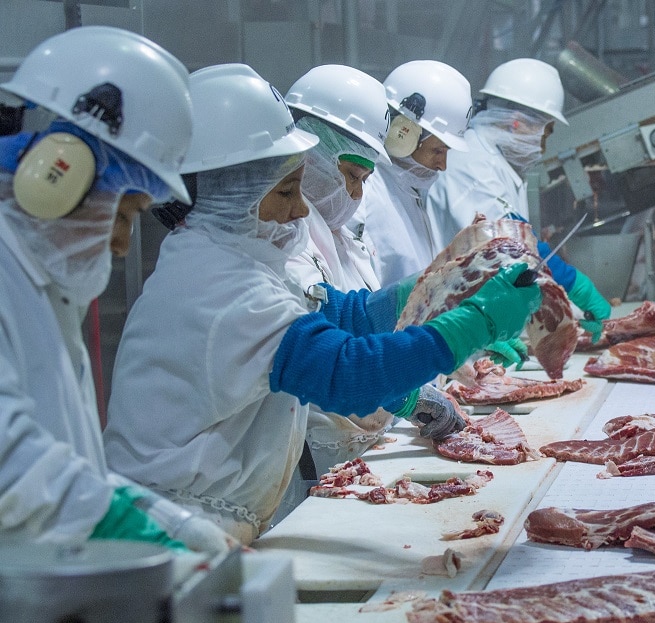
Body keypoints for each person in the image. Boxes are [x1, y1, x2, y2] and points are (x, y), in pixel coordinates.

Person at [103, 64, 541, 545]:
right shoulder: (219, 287)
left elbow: (343, 316)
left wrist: (445, 283)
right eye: (286, 191)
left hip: (214, 515)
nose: (299, 209)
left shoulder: (237, 258)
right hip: (174, 533)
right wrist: (472, 324)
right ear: (236, 194)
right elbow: (345, 373)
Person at [0, 26, 235, 553]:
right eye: (124, 213)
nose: (125, 245)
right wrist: (149, 537)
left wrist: (168, 520)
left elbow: (64, 460)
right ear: (58, 175)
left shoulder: (38, 283)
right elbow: (12, 469)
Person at [283, 64, 465, 468]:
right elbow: (326, 339)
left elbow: (353, 315)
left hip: (358, 440)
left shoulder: (341, 231)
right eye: (351, 175)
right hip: (314, 445)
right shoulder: (284, 236)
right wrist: (404, 391)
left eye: (364, 179)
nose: (355, 193)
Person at [426, 58, 612, 343]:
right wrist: (574, 284)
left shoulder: (497, 163)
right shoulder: (471, 162)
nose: (544, 144)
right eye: (545, 132)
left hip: (473, 310)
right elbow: (508, 243)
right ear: (517, 124)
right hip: (449, 319)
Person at [348, 59, 473, 287]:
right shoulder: (363, 193)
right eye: (438, 150)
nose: (443, 165)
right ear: (403, 134)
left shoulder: (411, 191)